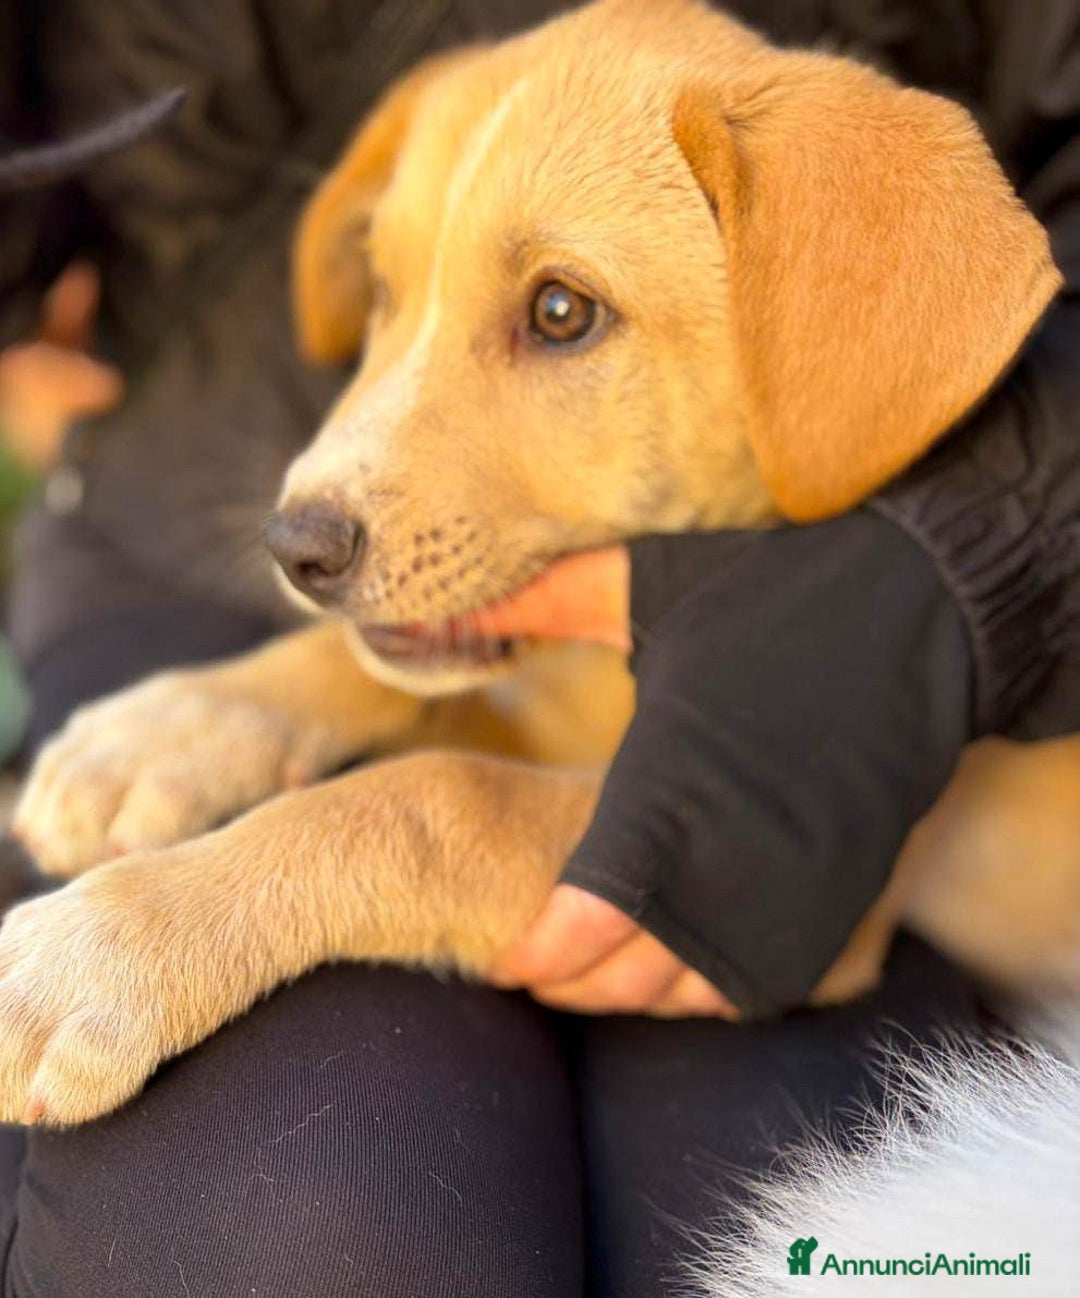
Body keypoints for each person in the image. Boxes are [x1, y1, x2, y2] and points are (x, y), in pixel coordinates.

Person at [0, 1, 1075, 1294]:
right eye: (394, 289)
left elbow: (768, 873)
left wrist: (370, 842)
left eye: (559, 312)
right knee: (313, 1220)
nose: (336, 474)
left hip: (961, 560)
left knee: (783, 1228)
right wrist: (302, 690)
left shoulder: (822, 234)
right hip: (171, 526)